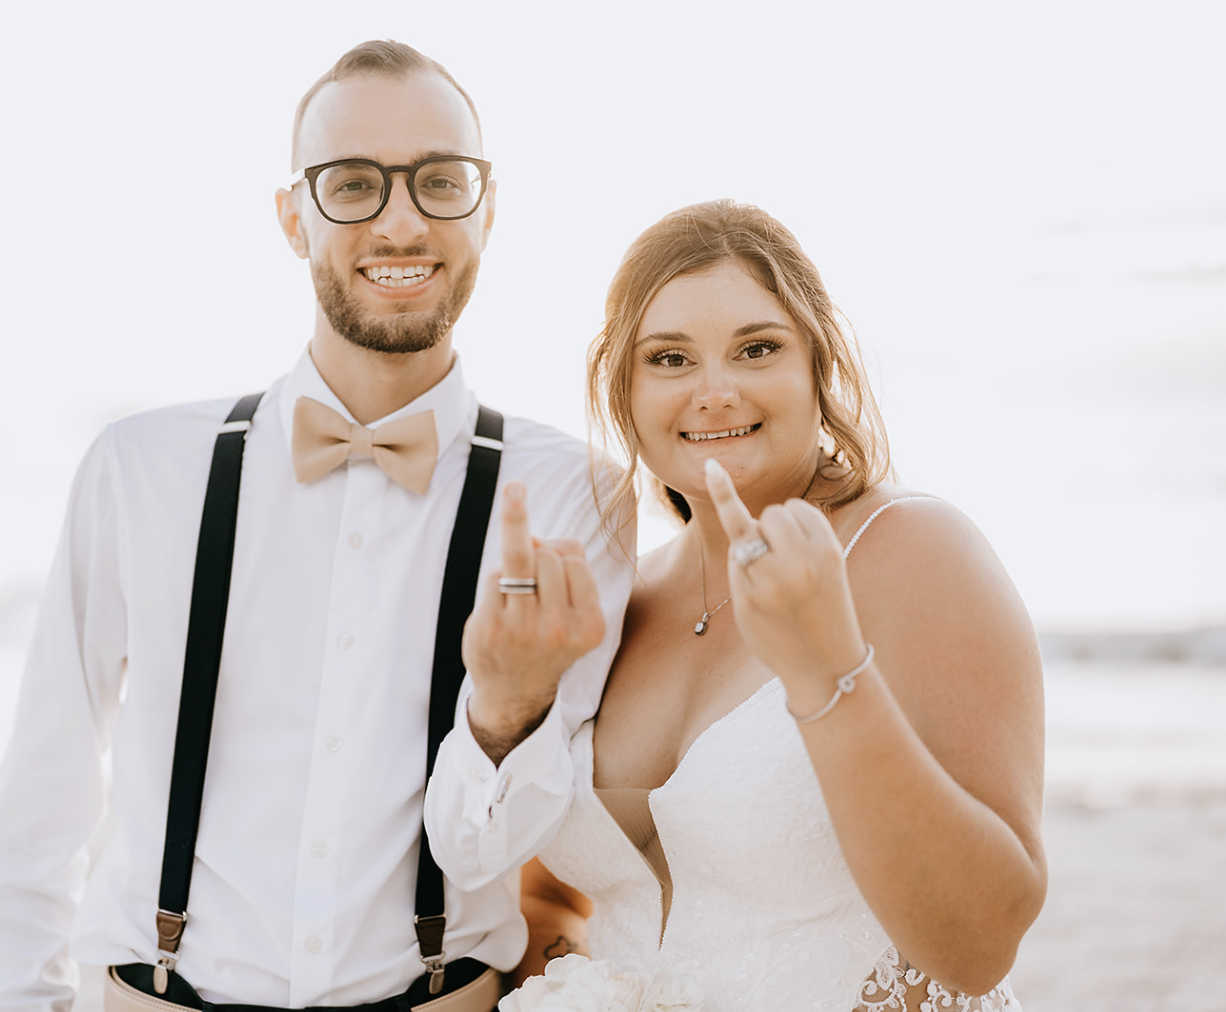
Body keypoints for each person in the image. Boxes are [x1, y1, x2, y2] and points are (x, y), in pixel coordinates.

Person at [0, 40, 634, 1012]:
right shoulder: (140, 470)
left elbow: (503, 847)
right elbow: (42, 793)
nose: (401, 220)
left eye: (439, 181)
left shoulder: (575, 494)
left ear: (487, 207)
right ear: (293, 216)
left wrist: (502, 716)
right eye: (353, 183)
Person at [425, 200, 1047, 1011]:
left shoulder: (911, 551)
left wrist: (828, 670)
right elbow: (549, 899)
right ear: (623, 388)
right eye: (670, 359)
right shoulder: (620, 594)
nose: (714, 392)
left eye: (757, 349)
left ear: (818, 364)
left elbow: (979, 943)